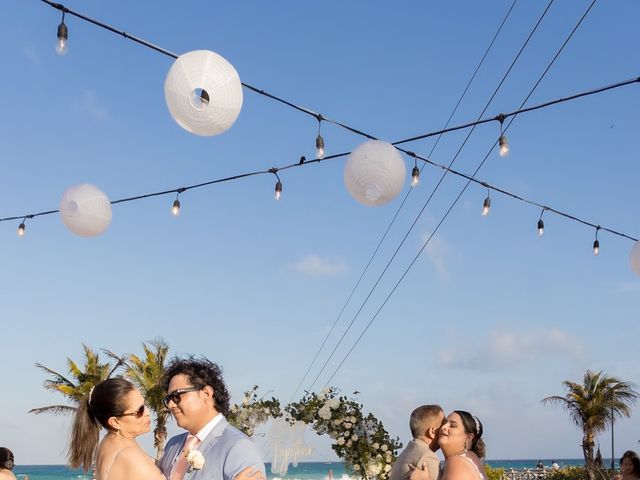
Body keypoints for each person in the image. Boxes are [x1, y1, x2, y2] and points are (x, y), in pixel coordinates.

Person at [158, 357, 266, 480]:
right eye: (168, 399)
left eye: (176, 396)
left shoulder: (239, 447)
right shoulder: (172, 445)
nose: (171, 405)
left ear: (206, 393)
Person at [68, 378, 165, 480]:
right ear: (115, 422)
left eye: (145, 405)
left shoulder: (107, 445)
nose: (148, 412)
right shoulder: (129, 456)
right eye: (140, 410)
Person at [410, 410, 486, 480]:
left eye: (452, 425)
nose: (443, 427)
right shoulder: (468, 459)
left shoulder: (457, 462)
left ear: (469, 437)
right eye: (444, 423)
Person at [390, 405, 445, 480]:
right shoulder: (427, 457)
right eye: (444, 423)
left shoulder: (406, 453)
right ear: (432, 432)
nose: (446, 428)